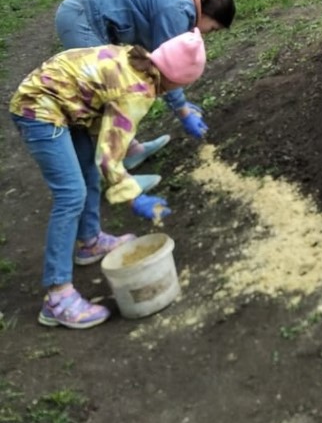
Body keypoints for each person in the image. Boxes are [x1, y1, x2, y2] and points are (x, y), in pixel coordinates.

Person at [9, 29, 206, 329]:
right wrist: (134, 198)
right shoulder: (137, 90)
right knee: (70, 195)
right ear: (178, 79)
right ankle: (58, 298)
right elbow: (110, 157)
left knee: (87, 172)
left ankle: (90, 241)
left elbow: (103, 141)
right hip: (40, 107)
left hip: (66, 100)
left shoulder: (137, 58)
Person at [54, 0, 235, 170]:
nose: (207, 34)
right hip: (81, 18)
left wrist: (180, 104)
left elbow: (158, 56)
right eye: (213, 28)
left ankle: (129, 152)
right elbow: (165, 69)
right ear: (207, 14)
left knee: (114, 89)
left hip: (87, 11)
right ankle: (103, 173)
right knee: (105, 94)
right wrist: (183, 111)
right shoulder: (178, 9)